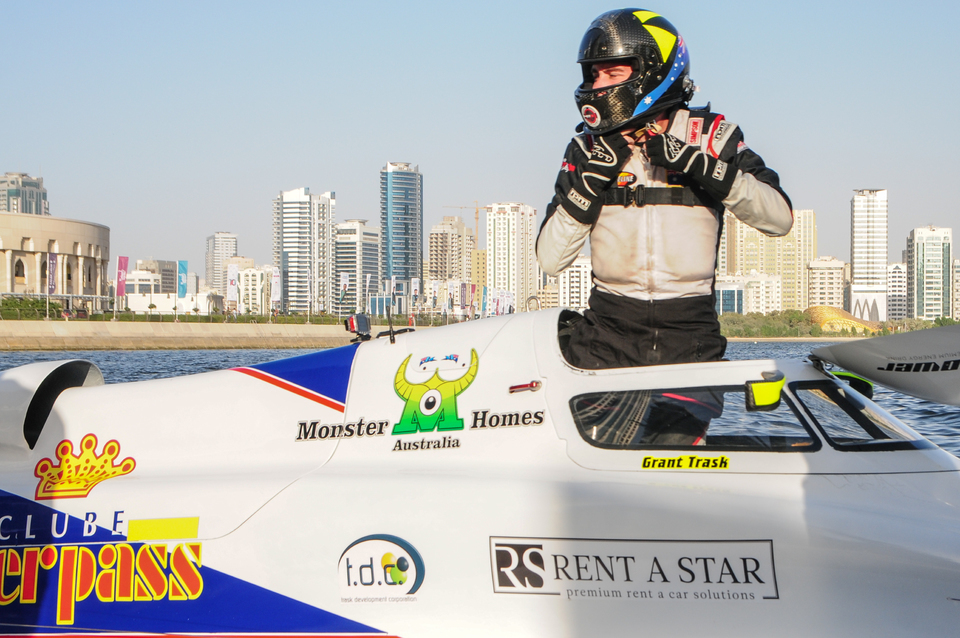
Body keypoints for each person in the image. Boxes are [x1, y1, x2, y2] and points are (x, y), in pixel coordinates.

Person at [538, 9, 793, 369]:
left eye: (612, 73)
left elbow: (779, 219)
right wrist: (592, 179)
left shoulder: (712, 136)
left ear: (652, 73)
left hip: (691, 339)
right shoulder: (585, 149)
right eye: (594, 74)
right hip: (605, 340)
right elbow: (550, 260)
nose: (597, 86)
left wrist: (697, 163)